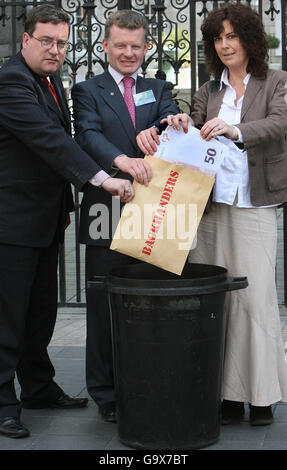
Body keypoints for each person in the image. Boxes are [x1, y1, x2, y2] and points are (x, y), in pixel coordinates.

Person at [0, 5, 134, 439]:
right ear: (26, 40)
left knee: (39, 313)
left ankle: (38, 387)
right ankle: (4, 403)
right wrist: (102, 178)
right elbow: (50, 140)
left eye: (61, 42)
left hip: (44, 218)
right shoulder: (11, 82)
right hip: (11, 223)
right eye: (47, 41)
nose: (55, 49)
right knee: (7, 316)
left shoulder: (50, 79)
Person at [166, 3, 287, 426]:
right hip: (212, 208)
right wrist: (181, 122)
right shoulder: (208, 90)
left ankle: (260, 396)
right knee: (218, 303)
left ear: (250, 39)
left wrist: (236, 130)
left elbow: (279, 123)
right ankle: (227, 396)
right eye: (218, 38)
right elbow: (194, 129)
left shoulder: (276, 82)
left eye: (232, 36)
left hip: (254, 205)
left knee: (255, 302)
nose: (225, 44)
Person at [71, 9, 180, 423]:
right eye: (120, 45)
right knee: (104, 306)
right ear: (105, 46)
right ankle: (106, 394)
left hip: (156, 209)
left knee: (154, 303)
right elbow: (88, 135)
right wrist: (122, 161)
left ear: (147, 47)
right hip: (107, 206)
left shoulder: (159, 87)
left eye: (136, 46)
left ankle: (152, 381)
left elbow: (171, 119)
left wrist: (176, 121)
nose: (128, 53)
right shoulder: (88, 89)